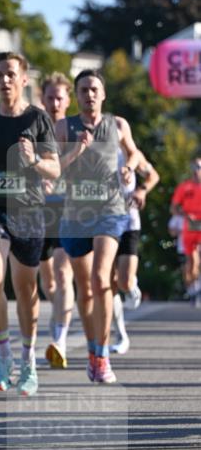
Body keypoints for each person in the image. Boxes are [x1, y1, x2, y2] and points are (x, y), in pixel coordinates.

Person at [0, 52, 60, 397]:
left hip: (28, 210)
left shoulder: (37, 119)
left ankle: (28, 359)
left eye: (10, 74)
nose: (4, 80)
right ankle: (4, 354)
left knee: (26, 289)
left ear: (23, 79)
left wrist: (34, 159)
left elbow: (55, 169)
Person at [56, 70, 140, 383]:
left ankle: (103, 356)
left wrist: (129, 167)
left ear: (103, 94)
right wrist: (75, 151)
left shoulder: (118, 125)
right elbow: (52, 169)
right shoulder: (63, 127)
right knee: (86, 288)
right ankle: (93, 350)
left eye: (94, 89)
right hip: (75, 214)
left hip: (110, 210)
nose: (89, 95)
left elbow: (133, 152)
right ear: (76, 96)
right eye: (83, 90)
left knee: (101, 278)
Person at [38, 72, 75, 369]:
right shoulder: (33, 129)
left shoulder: (75, 132)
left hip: (68, 210)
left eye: (59, 98)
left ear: (68, 100)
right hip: (38, 212)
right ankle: (59, 312)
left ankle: (59, 340)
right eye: (49, 98)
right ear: (42, 98)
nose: (54, 103)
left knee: (63, 274)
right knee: (48, 281)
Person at [110, 148, 159, 354]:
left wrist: (142, 190)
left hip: (129, 222)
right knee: (108, 282)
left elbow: (153, 175)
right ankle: (120, 335)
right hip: (102, 223)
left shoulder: (130, 154)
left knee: (124, 281)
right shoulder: (91, 148)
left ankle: (131, 286)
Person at [170, 154, 201, 306]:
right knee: (192, 260)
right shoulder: (184, 187)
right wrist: (186, 215)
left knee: (197, 259)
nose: (196, 170)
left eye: (199, 167)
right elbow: (174, 207)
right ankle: (193, 290)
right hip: (190, 227)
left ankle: (196, 289)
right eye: (194, 167)